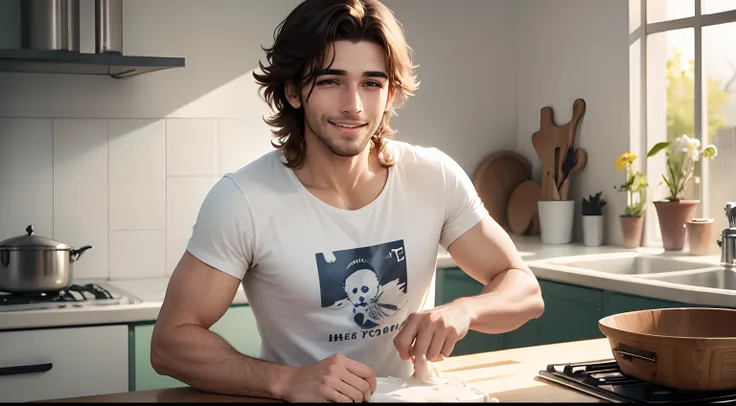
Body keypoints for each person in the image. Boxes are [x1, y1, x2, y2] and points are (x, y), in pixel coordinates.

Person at [150, 0, 544, 402]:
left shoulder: (433, 177)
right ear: (293, 91)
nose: (353, 105)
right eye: (330, 81)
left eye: (371, 83)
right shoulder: (244, 200)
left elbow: (524, 290)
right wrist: (286, 380)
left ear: (390, 93)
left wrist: (465, 310)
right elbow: (170, 343)